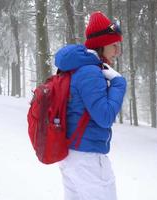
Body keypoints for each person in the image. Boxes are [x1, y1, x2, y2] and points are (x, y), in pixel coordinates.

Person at [54, 11, 126, 200]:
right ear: (102, 45)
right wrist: (119, 83)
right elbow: (105, 117)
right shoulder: (90, 72)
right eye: (114, 45)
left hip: (71, 156)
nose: (117, 51)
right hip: (88, 160)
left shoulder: (78, 68)